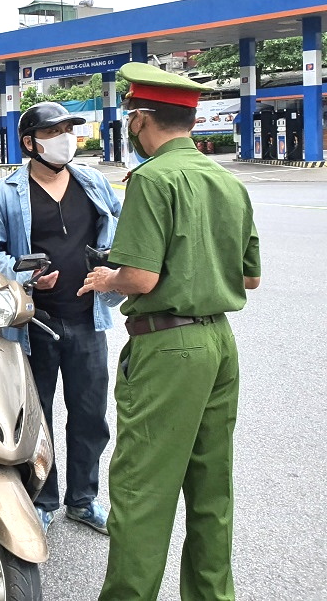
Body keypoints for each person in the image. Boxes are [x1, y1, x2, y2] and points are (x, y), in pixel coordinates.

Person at [77, 62, 260, 601]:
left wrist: (108, 275)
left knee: (141, 492)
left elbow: (141, 276)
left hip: (168, 346)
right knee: (211, 490)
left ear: (139, 119)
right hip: (219, 344)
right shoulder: (226, 179)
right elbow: (248, 276)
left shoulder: (153, 179)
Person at [0, 102, 123, 536]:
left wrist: (113, 267)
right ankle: (43, 498)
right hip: (35, 325)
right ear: (30, 143)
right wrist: (25, 274)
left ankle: (83, 499)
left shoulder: (92, 182)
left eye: (69, 129)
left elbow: (120, 227)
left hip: (87, 319)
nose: (65, 138)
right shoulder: (5, 193)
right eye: (54, 130)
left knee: (91, 415)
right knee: (37, 416)